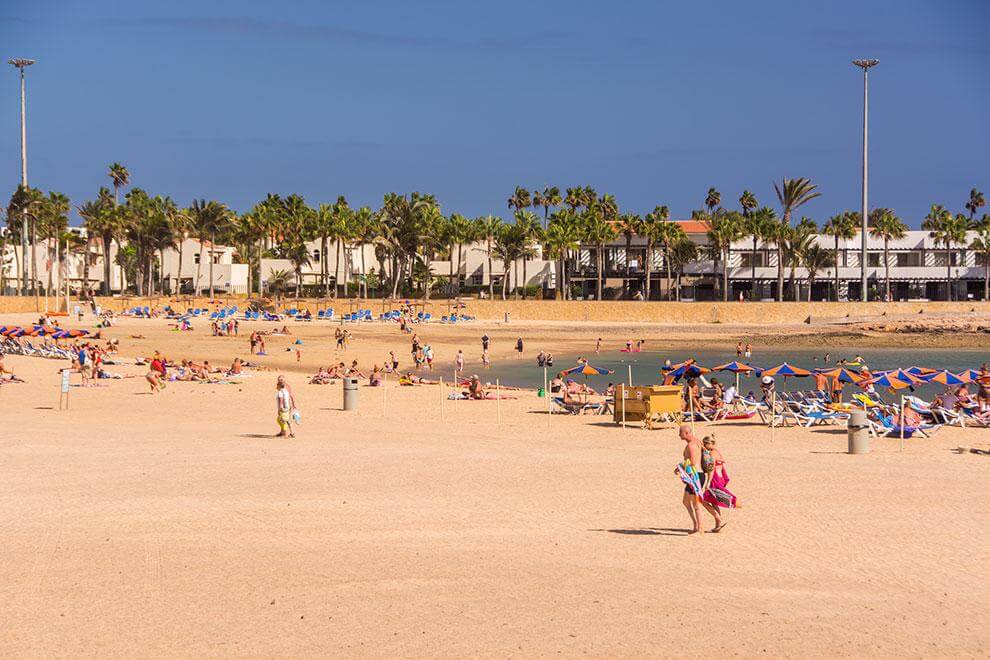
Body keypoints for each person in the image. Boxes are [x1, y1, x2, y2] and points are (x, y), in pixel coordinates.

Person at [701, 436, 736, 531]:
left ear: (709, 444)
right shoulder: (717, 452)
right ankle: (718, 525)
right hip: (720, 478)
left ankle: (719, 519)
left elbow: (711, 469)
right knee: (714, 501)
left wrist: (708, 482)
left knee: (704, 501)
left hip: (714, 479)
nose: (704, 446)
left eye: (705, 444)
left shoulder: (712, 454)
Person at [677, 425, 705, 535]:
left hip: (696, 476)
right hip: (695, 475)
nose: (679, 435)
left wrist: (680, 466)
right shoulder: (698, 441)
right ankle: (696, 526)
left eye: (680, 433)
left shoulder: (691, 445)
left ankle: (700, 529)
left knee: (696, 504)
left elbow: (692, 462)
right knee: (685, 501)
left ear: (686, 433)